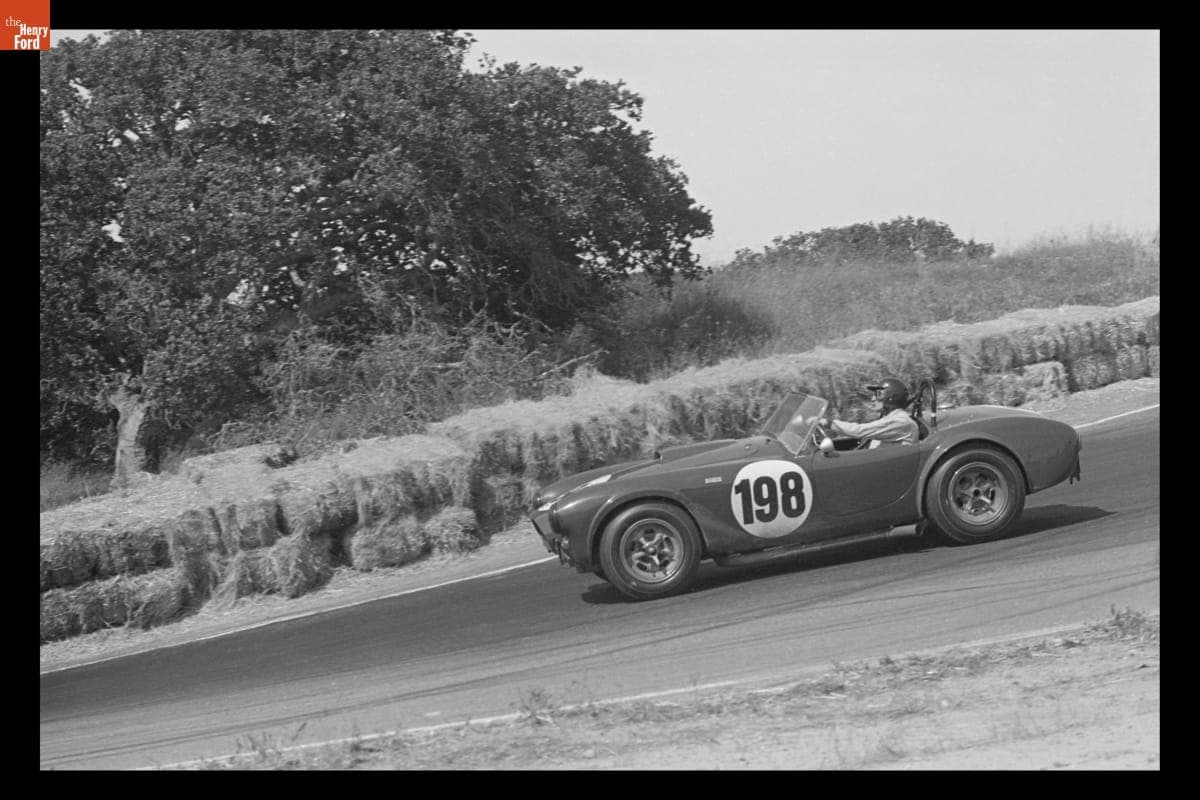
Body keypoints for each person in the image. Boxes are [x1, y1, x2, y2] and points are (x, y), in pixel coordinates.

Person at [821, 378, 919, 448]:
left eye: (879, 394)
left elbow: (859, 431)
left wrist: (827, 423)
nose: (873, 398)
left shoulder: (900, 421)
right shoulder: (892, 417)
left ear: (891, 397)